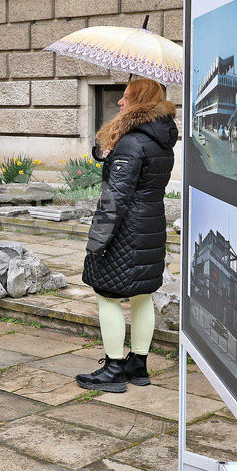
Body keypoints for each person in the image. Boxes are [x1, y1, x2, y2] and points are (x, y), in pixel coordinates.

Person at [77, 78, 178, 392]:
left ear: (139, 101)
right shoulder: (160, 139)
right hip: (151, 227)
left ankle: (113, 370)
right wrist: (109, 155)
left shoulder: (132, 142)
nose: (120, 102)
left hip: (126, 232)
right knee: (142, 296)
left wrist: (97, 241)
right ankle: (138, 365)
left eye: (125, 97)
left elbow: (115, 198)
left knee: (106, 295)